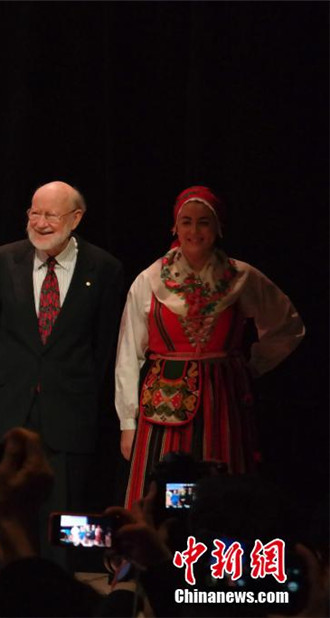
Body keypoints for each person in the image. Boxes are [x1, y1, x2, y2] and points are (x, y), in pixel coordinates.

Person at [115, 186, 305, 507]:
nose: (194, 230)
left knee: (222, 490)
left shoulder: (242, 277)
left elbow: (287, 326)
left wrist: (251, 365)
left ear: (218, 228)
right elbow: (128, 353)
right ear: (175, 227)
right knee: (162, 493)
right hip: (163, 405)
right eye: (186, 222)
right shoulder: (149, 279)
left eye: (204, 222)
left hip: (223, 402)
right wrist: (128, 422)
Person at [0, 181, 124, 554]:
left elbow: (105, 345)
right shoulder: (0, 260)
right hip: (11, 405)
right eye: (34, 212)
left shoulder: (104, 268)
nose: (41, 223)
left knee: (64, 516)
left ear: (76, 218)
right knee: (2, 512)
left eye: (51, 215)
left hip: (70, 409)